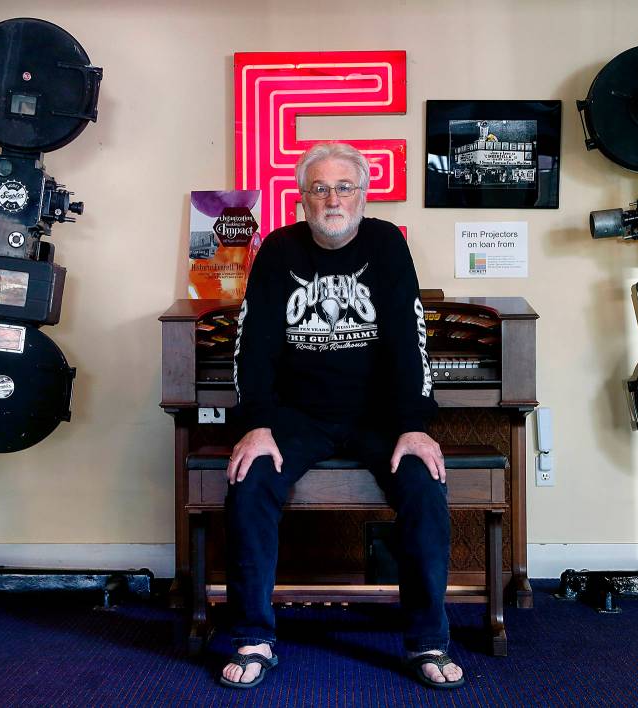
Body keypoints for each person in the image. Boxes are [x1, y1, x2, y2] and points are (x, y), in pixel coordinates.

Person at [219, 142, 465, 690]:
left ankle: (428, 639)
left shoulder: (386, 244)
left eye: (344, 187)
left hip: (378, 417)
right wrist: (257, 424)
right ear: (303, 197)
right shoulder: (278, 249)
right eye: (320, 188)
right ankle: (253, 636)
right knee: (249, 478)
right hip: (296, 416)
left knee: (424, 483)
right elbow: (252, 345)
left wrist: (414, 425)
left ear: (364, 193)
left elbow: (409, 340)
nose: (333, 198)